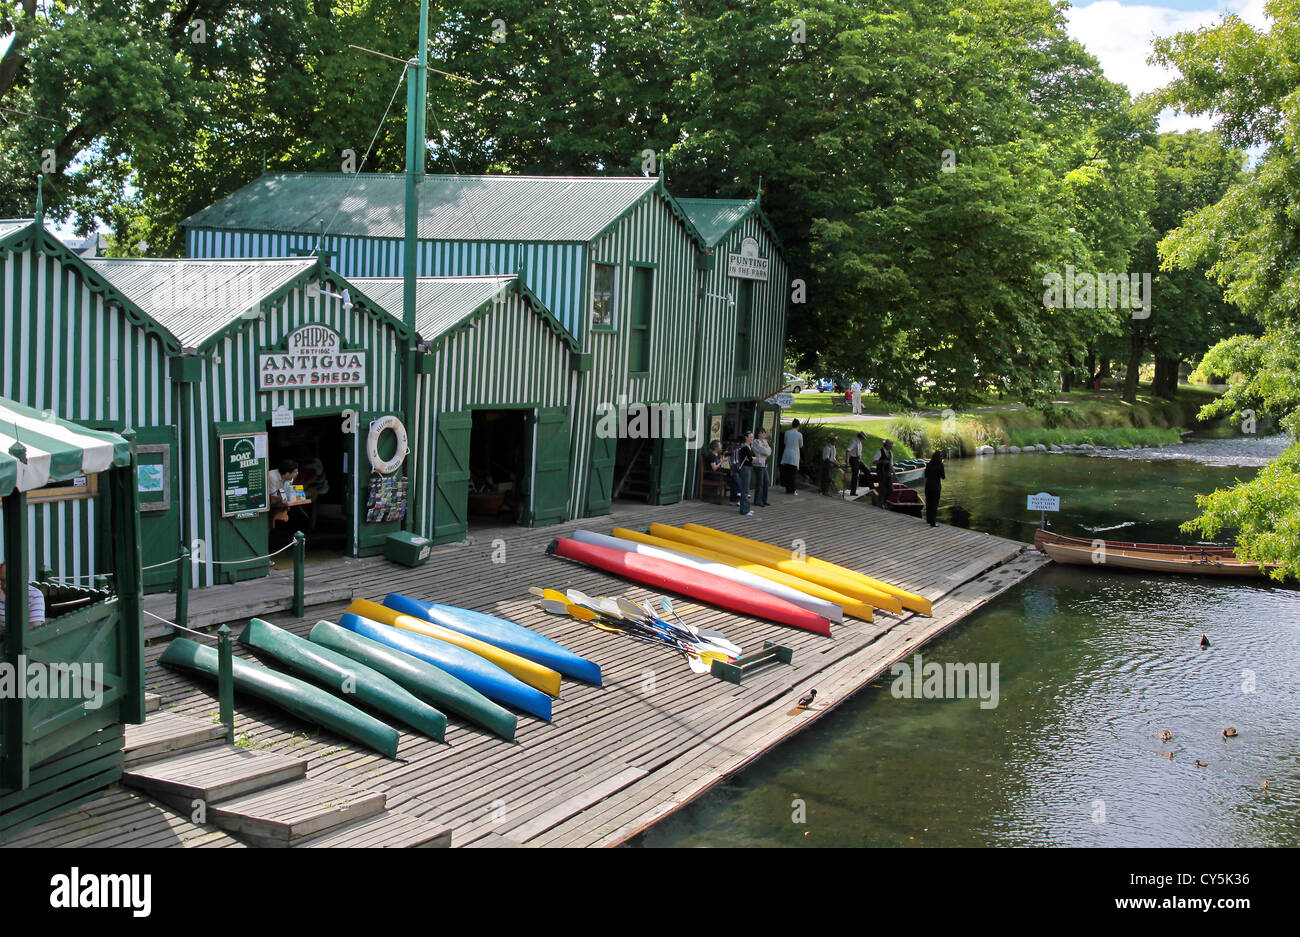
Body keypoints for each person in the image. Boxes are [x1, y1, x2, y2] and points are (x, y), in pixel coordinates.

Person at [0, 560, 46, 635]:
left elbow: (34, 626)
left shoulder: (34, 595)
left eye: (8, 581)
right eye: (2, 580)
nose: (4, 585)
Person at [733, 431, 755, 515]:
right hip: (745, 468)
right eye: (750, 437)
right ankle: (744, 510)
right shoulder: (744, 447)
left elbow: (754, 458)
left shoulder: (750, 447)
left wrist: (752, 458)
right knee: (745, 490)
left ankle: (747, 508)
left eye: (752, 437)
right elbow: (751, 459)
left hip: (749, 468)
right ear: (746, 437)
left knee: (746, 490)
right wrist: (752, 458)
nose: (751, 439)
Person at [780, 419, 804, 495]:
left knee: (787, 472)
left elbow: (785, 442)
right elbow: (801, 445)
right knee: (793, 473)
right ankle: (793, 489)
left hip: (787, 453)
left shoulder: (787, 432)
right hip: (794, 454)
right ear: (798, 426)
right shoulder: (799, 434)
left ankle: (787, 489)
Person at [751, 426, 772, 507]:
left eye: (764, 432)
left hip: (764, 464)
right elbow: (763, 451)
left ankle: (764, 500)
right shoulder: (756, 442)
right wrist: (765, 451)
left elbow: (769, 452)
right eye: (763, 432)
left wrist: (765, 451)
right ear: (759, 433)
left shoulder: (765, 442)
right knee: (760, 482)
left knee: (766, 481)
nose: (764, 434)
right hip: (758, 464)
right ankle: (757, 501)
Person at [924, 450, 946, 526]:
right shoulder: (940, 465)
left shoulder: (928, 464)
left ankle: (928, 519)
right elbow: (943, 477)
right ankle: (933, 522)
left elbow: (925, 475)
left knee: (928, 503)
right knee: (934, 504)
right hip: (936, 486)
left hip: (928, 485)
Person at [872, 439, 895, 509]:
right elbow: (874, 462)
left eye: (891, 446)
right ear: (886, 445)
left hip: (888, 473)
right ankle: (881, 503)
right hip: (881, 473)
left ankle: (884, 501)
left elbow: (891, 465)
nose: (891, 447)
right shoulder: (879, 452)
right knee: (882, 489)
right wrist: (882, 461)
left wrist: (894, 474)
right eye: (890, 446)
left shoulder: (891, 453)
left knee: (891, 489)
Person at [846, 431, 866, 496]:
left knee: (866, 470)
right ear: (861, 437)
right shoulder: (854, 441)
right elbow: (848, 450)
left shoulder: (859, 442)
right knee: (855, 475)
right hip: (853, 459)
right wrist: (847, 460)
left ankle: (871, 486)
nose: (863, 439)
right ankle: (853, 492)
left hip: (858, 459)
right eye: (863, 438)